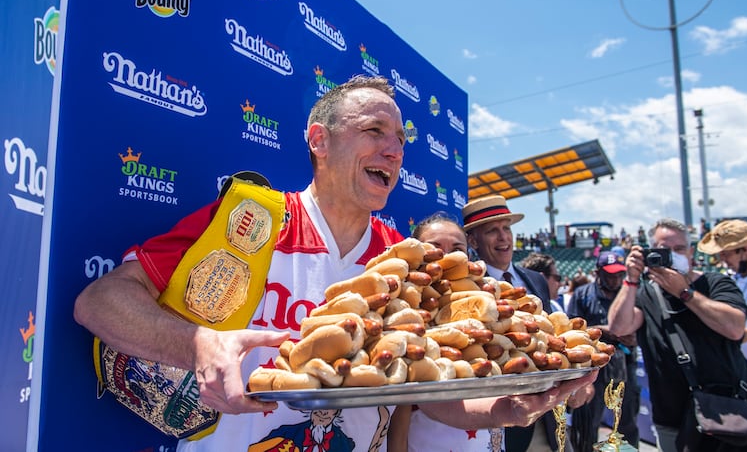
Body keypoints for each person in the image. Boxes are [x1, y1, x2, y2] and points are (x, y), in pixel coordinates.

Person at [74, 76, 594, 451]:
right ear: (319, 140)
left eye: (401, 140)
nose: (394, 151)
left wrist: (501, 409)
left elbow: (426, 389)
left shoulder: (405, 258)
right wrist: (199, 345)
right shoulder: (251, 219)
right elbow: (100, 303)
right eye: (374, 131)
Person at [608, 218, 747, 452]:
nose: (672, 256)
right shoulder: (645, 292)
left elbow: (735, 328)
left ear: (690, 252)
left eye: (678, 249)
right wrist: (631, 279)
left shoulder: (716, 282)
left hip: (730, 413)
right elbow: (619, 327)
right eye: (664, 250)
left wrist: (683, 292)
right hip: (672, 420)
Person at [388, 211, 505, 451]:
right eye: (435, 247)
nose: (446, 256)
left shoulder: (489, 302)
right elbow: (399, 405)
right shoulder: (404, 308)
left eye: (456, 248)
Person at [462, 195, 557, 452]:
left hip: (544, 421)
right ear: (473, 241)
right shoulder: (467, 287)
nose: (503, 237)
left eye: (506, 228)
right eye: (492, 231)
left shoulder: (536, 280)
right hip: (494, 421)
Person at [567, 251, 640, 452]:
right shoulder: (582, 294)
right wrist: (603, 331)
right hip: (593, 370)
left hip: (625, 365)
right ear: (597, 273)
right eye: (609, 275)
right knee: (588, 424)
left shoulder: (630, 293)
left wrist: (635, 337)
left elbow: (645, 325)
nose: (615, 279)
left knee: (627, 423)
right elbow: (570, 330)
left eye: (619, 275)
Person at [698, 219, 747, 384]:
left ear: (745, 249)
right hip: (735, 372)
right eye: (721, 254)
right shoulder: (728, 280)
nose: (723, 260)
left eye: (727, 253)